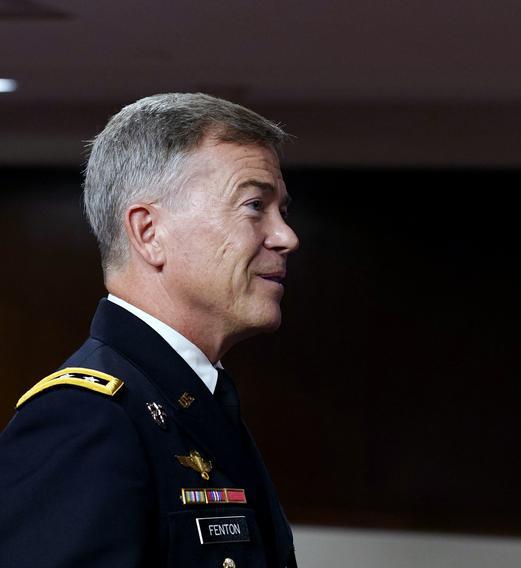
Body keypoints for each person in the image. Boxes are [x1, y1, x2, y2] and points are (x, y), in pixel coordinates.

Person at [0, 93, 300, 567]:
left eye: (281, 210)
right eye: (254, 205)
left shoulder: (193, 398)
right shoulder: (85, 416)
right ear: (148, 232)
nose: (286, 236)